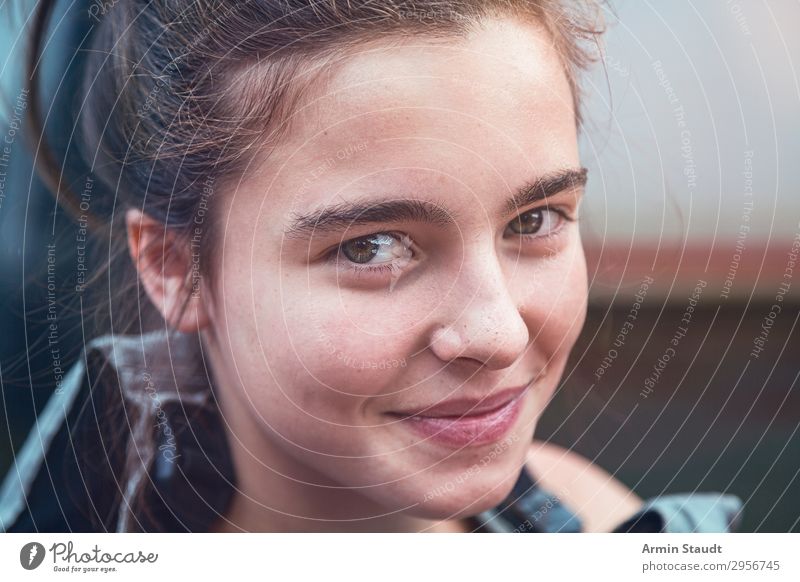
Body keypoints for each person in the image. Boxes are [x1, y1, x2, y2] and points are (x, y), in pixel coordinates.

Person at [0, 0, 742, 533]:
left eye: (534, 220)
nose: (498, 333)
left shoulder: (610, 527)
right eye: (373, 247)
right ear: (173, 267)